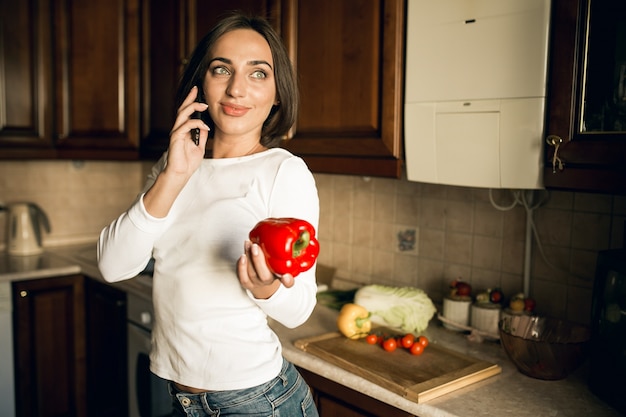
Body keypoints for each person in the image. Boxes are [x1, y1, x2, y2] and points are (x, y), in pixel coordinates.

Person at [97, 13, 320, 417]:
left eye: (258, 74)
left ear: (277, 94)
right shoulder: (177, 161)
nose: (237, 89)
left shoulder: (283, 171)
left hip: (257, 403)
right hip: (182, 401)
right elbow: (113, 265)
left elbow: (301, 306)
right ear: (201, 82)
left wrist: (266, 287)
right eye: (222, 69)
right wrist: (175, 174)